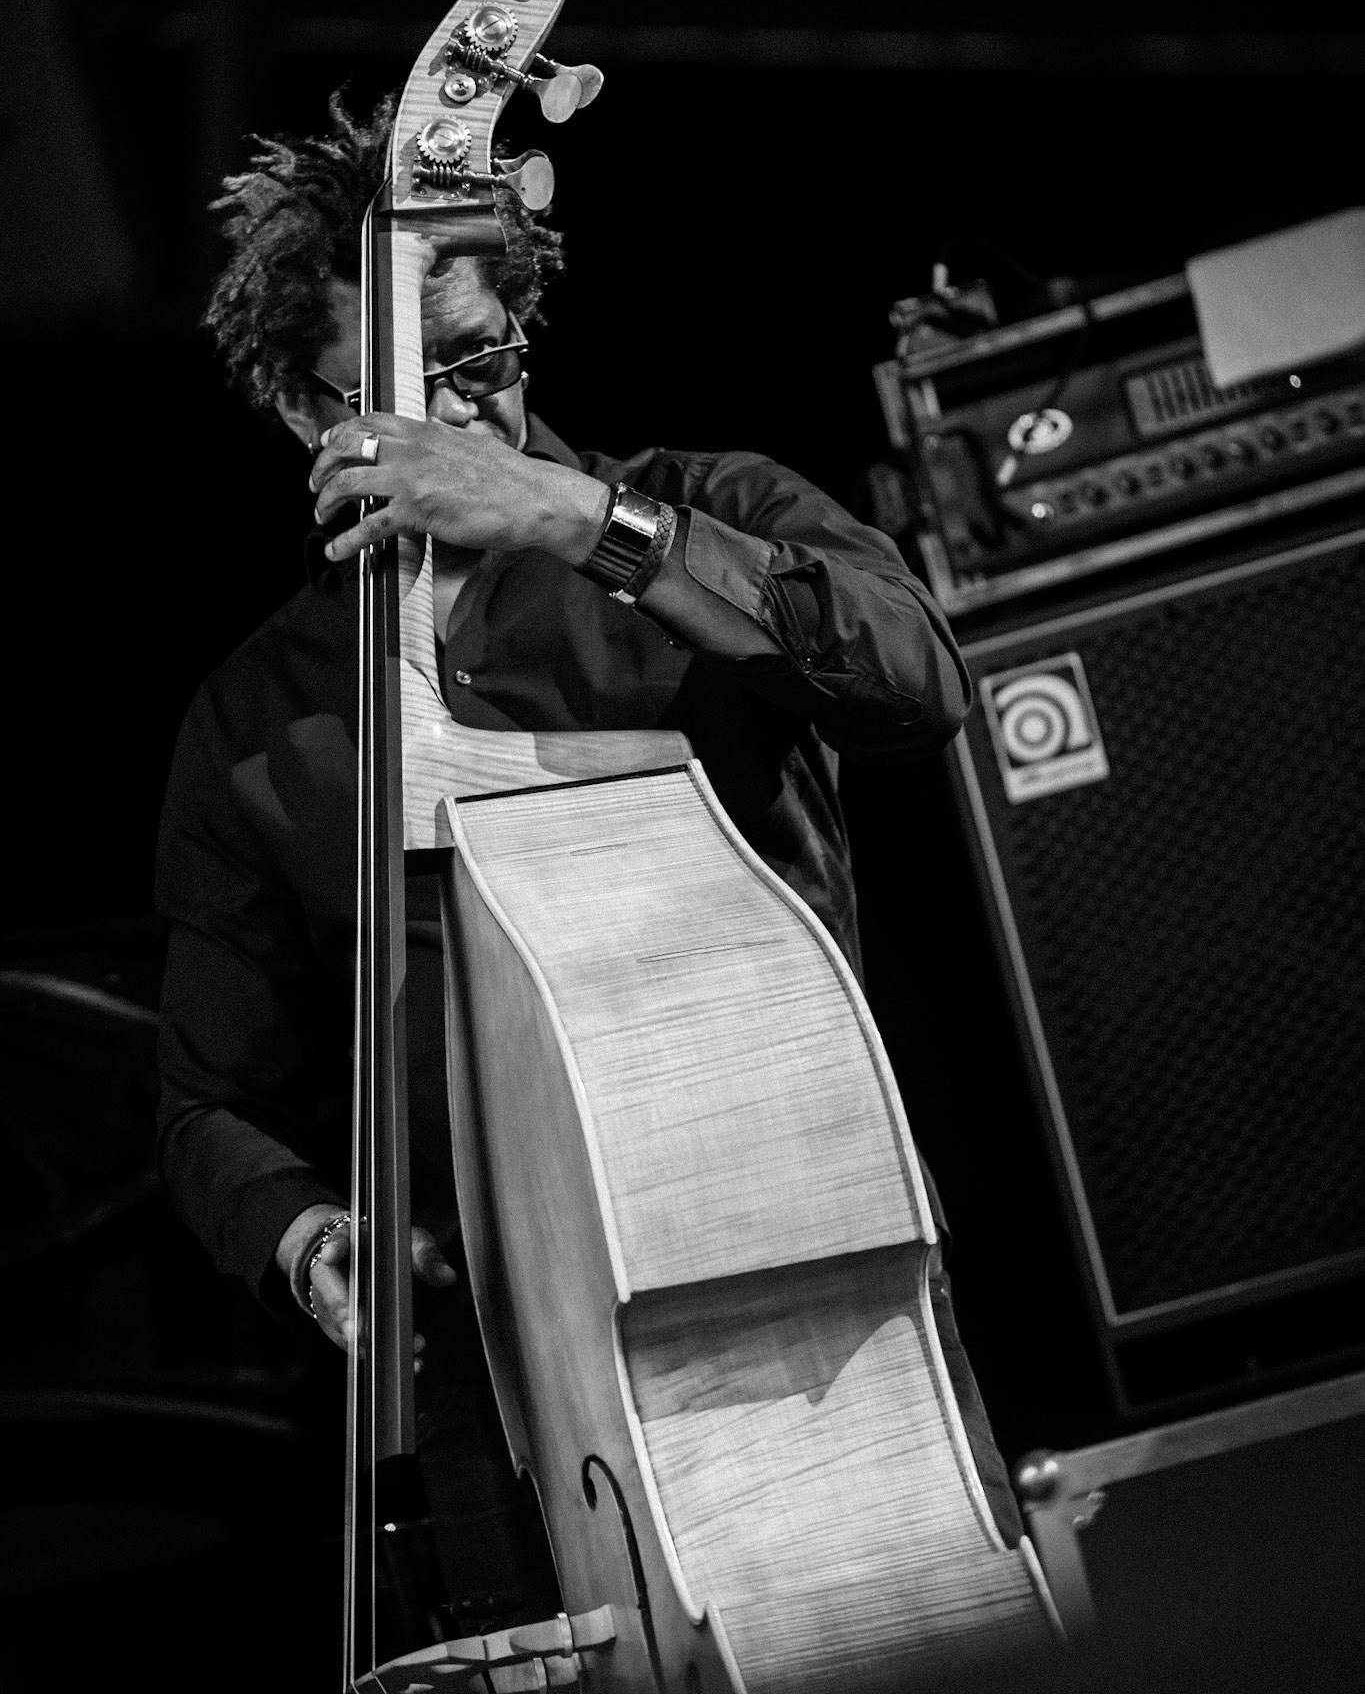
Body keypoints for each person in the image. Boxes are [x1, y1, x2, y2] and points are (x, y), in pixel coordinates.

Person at [155, 93, 1015, 1632]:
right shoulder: (251, 723)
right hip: (498, 1386)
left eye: (477, 366)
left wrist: (581, 520)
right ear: (298, 409)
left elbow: (915, 684)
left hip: (797, 1269)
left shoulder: (710, 510)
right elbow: (209, 1098)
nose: (454, 425)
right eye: (400, 393)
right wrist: (308, 1233)